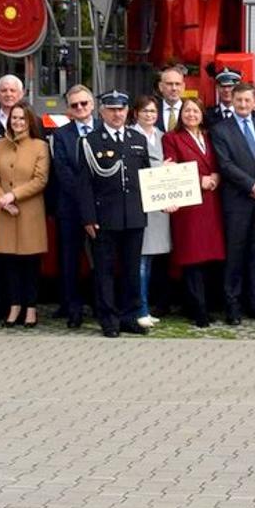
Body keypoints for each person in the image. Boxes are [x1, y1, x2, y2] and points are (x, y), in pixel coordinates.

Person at [75, 90, 152, 338]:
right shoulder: (90, 141)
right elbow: (84, 184)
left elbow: (145, 178)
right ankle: (108, 319)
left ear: (128, 110)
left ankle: (130, 316)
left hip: (134, 217)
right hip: (104, 218)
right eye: (111, 109)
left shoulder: (137, 139)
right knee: (105, 272)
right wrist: (88, 218)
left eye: (121, 109)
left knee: (131, 270)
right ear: (102, 112)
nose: (117, 114)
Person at [213, 81, 255, 323]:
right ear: (232, 101)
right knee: (235, 255)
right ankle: (232, 305)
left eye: (247, 100)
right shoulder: (221, 130)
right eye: (238, 100)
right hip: (237, 203)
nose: (242, 104)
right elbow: (225, 165)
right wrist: (252, 185)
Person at [163, 98, 225, 327]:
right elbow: (172, 171)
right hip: (189, 207)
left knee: (210, 259)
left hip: (212, 205)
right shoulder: (171, 138)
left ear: (202, 114)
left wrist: (217, 176)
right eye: (187, 111)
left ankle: (208, 306)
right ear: (180, 115)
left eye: (195, 110)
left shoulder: (210, 136)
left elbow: (220, 162)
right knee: (192, 260)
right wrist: (200, 180)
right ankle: (197, 310)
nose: (191, 114)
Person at [0, 102, 50, 327]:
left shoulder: (40, 146)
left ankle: (31, 309)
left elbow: (40, 179)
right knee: (10, 264)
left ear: (29, 121)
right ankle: (14, 307)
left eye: (22, 118)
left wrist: (13, 196)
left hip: (29, 212)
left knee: (30, 264)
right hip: (4, 212)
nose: (17, 122)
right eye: (14, 118)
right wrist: (1, 200)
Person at [49, 84, 99, 327]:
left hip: (101, 208)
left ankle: (102, 305)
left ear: (92, 105)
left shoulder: (104, 129)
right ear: (68, 109)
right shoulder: (61, 135)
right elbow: (63, 171)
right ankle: (73, 308)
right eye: (75, 105)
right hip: (70, 208)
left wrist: (95, 200)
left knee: (102, 259)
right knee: (69, 260)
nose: (80, 108)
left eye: (84, 103)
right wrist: (84, 199)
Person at [131, 95, 172, 327]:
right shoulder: (131, 135)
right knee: (140, 262)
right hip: (139, 205)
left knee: (151, 261)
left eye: (153, 111)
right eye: (145, 111)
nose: (149, 115)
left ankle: (145, 307)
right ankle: (140, 309)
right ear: (136, 113)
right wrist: (161, 168)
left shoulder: (161, 136)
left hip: (159, 207)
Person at [156, 65, 189, 133]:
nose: (174, 88)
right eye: (169, 84)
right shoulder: (153, 109)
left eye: (177, 84)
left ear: (183, 87)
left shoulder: (191, 111)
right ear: (161, 86)